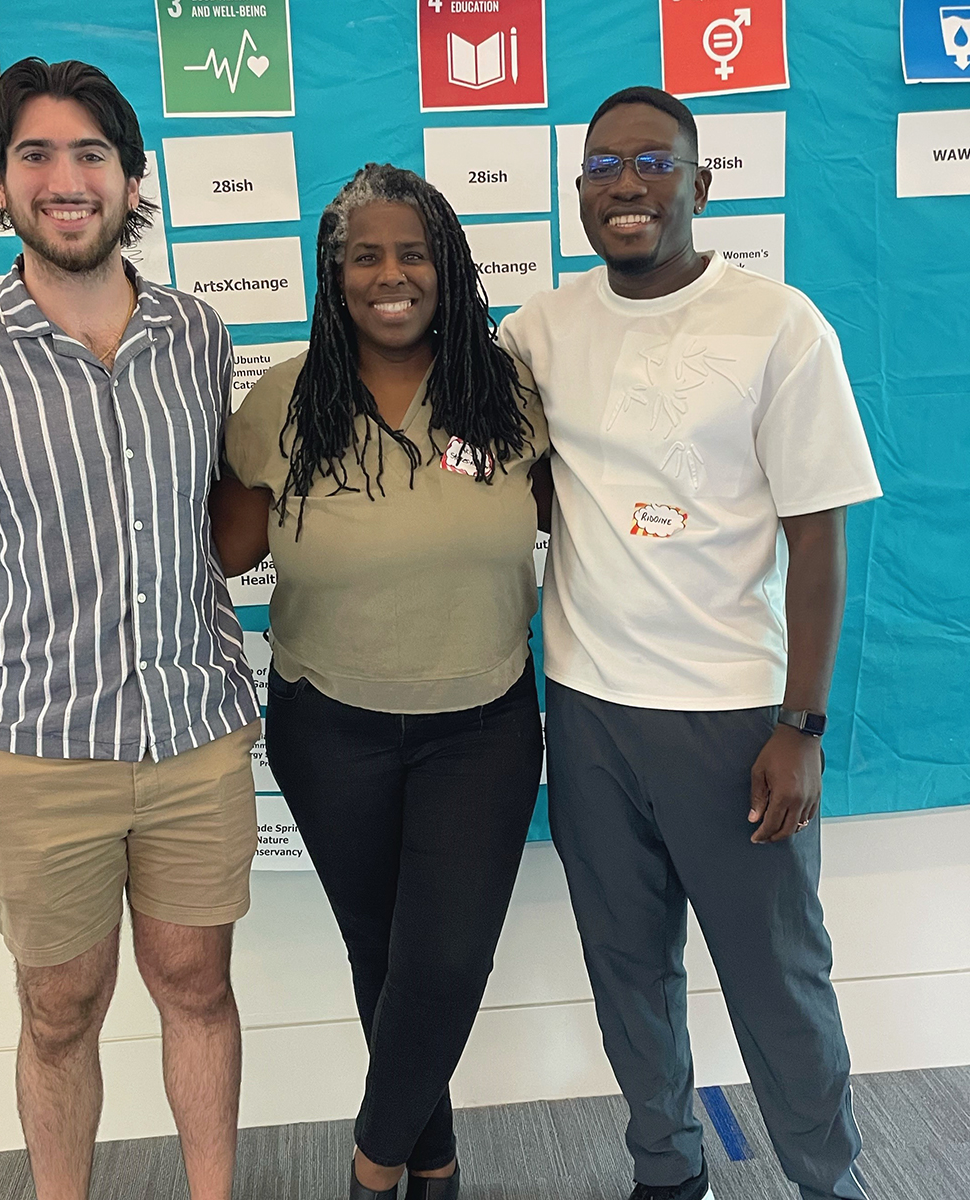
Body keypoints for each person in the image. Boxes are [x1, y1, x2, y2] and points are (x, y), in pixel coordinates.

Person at [0, 58, 260, 1200]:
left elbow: (221, 522)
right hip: (33, 754)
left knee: (198, 987)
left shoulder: (197, 333)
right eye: (34, 154)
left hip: (194, 740)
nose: (66, 177)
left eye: (92, 153)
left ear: (135, 180)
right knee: (59, 1011)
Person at [499, 87, 882, 1200]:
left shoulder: (779, 325)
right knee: (627, 974)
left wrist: (800, 724)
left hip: (732, 721)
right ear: (578, 192)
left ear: (701, 184)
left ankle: (828, 1179)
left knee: (778, 981)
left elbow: (819, 545)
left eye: (655, 164)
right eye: (605, 166)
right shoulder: (539, 331)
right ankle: (667, 1172)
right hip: (587, 712)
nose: (628, 184)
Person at [210, 163, 549, 1200]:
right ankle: (433, 1169)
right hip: (331, 729)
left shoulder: (505, 392)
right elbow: (221, 555)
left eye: (413, 253)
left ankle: (369, 1169)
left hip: (481, 725)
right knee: (383, 955)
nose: (391, 275)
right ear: (334, 274)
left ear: (448, 269)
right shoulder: (283, 401)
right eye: (366, 256)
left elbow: (581, 526)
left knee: (443, 963)